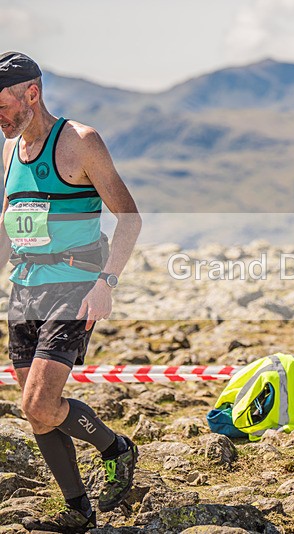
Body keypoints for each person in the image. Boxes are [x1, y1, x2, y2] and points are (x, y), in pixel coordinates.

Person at [0, 52, 142, 532]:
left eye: (0, 105)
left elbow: (129, 217)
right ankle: (77, 510)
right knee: (39, 416)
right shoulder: (9, 149)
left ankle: (115, 448)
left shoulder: (80, 142)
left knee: (38, 405)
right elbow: (8, 227)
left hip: (74, 286)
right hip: (23, 290)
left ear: (31, 94)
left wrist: (108, 282)